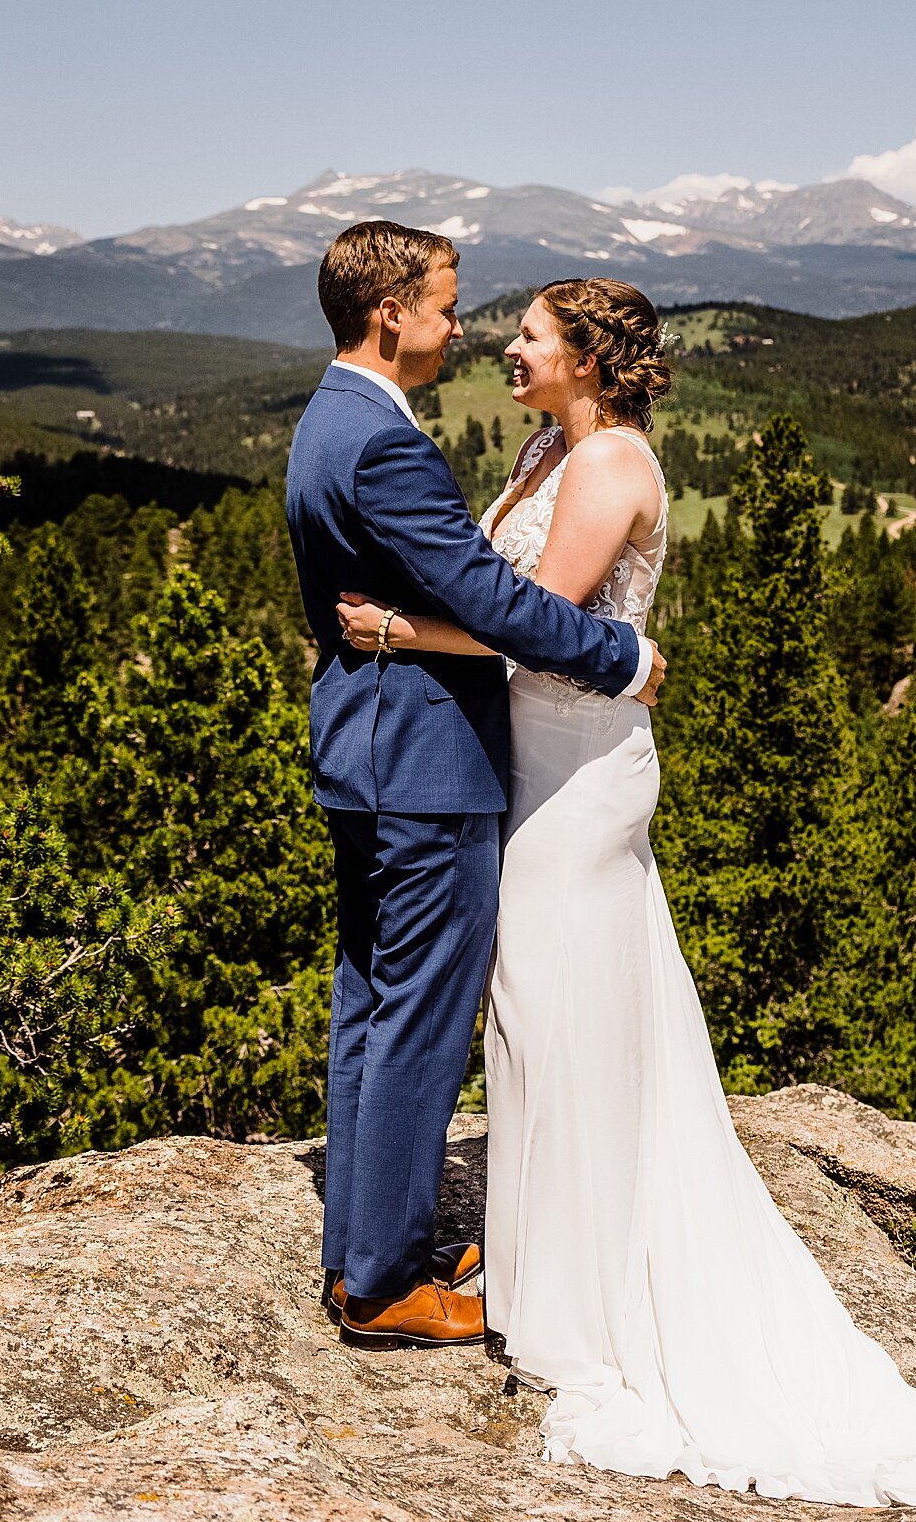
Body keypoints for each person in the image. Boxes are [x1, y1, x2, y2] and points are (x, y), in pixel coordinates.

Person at [336, 277, 916, 1508]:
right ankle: (548, 1267)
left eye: (531, 333)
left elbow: (534, 626)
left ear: (586, 357)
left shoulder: (608, 469)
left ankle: (588, 1300)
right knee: (539, 1009)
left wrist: (395, 632)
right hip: (527, 762)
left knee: (557, 1006)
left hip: (575, 775)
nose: (508, 346)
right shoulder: (547, 444)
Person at [284, 221, 664, 1354]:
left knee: (370, 1003)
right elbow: (498, 608)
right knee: (418, 1018)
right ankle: (388, 1280)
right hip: (427, 765)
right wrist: (623, 658)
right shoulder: (385, 440)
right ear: (391, 310)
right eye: (448, 305)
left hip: (369, 751)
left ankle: (362, 1247)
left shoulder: (328, 415)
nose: (463, 326)